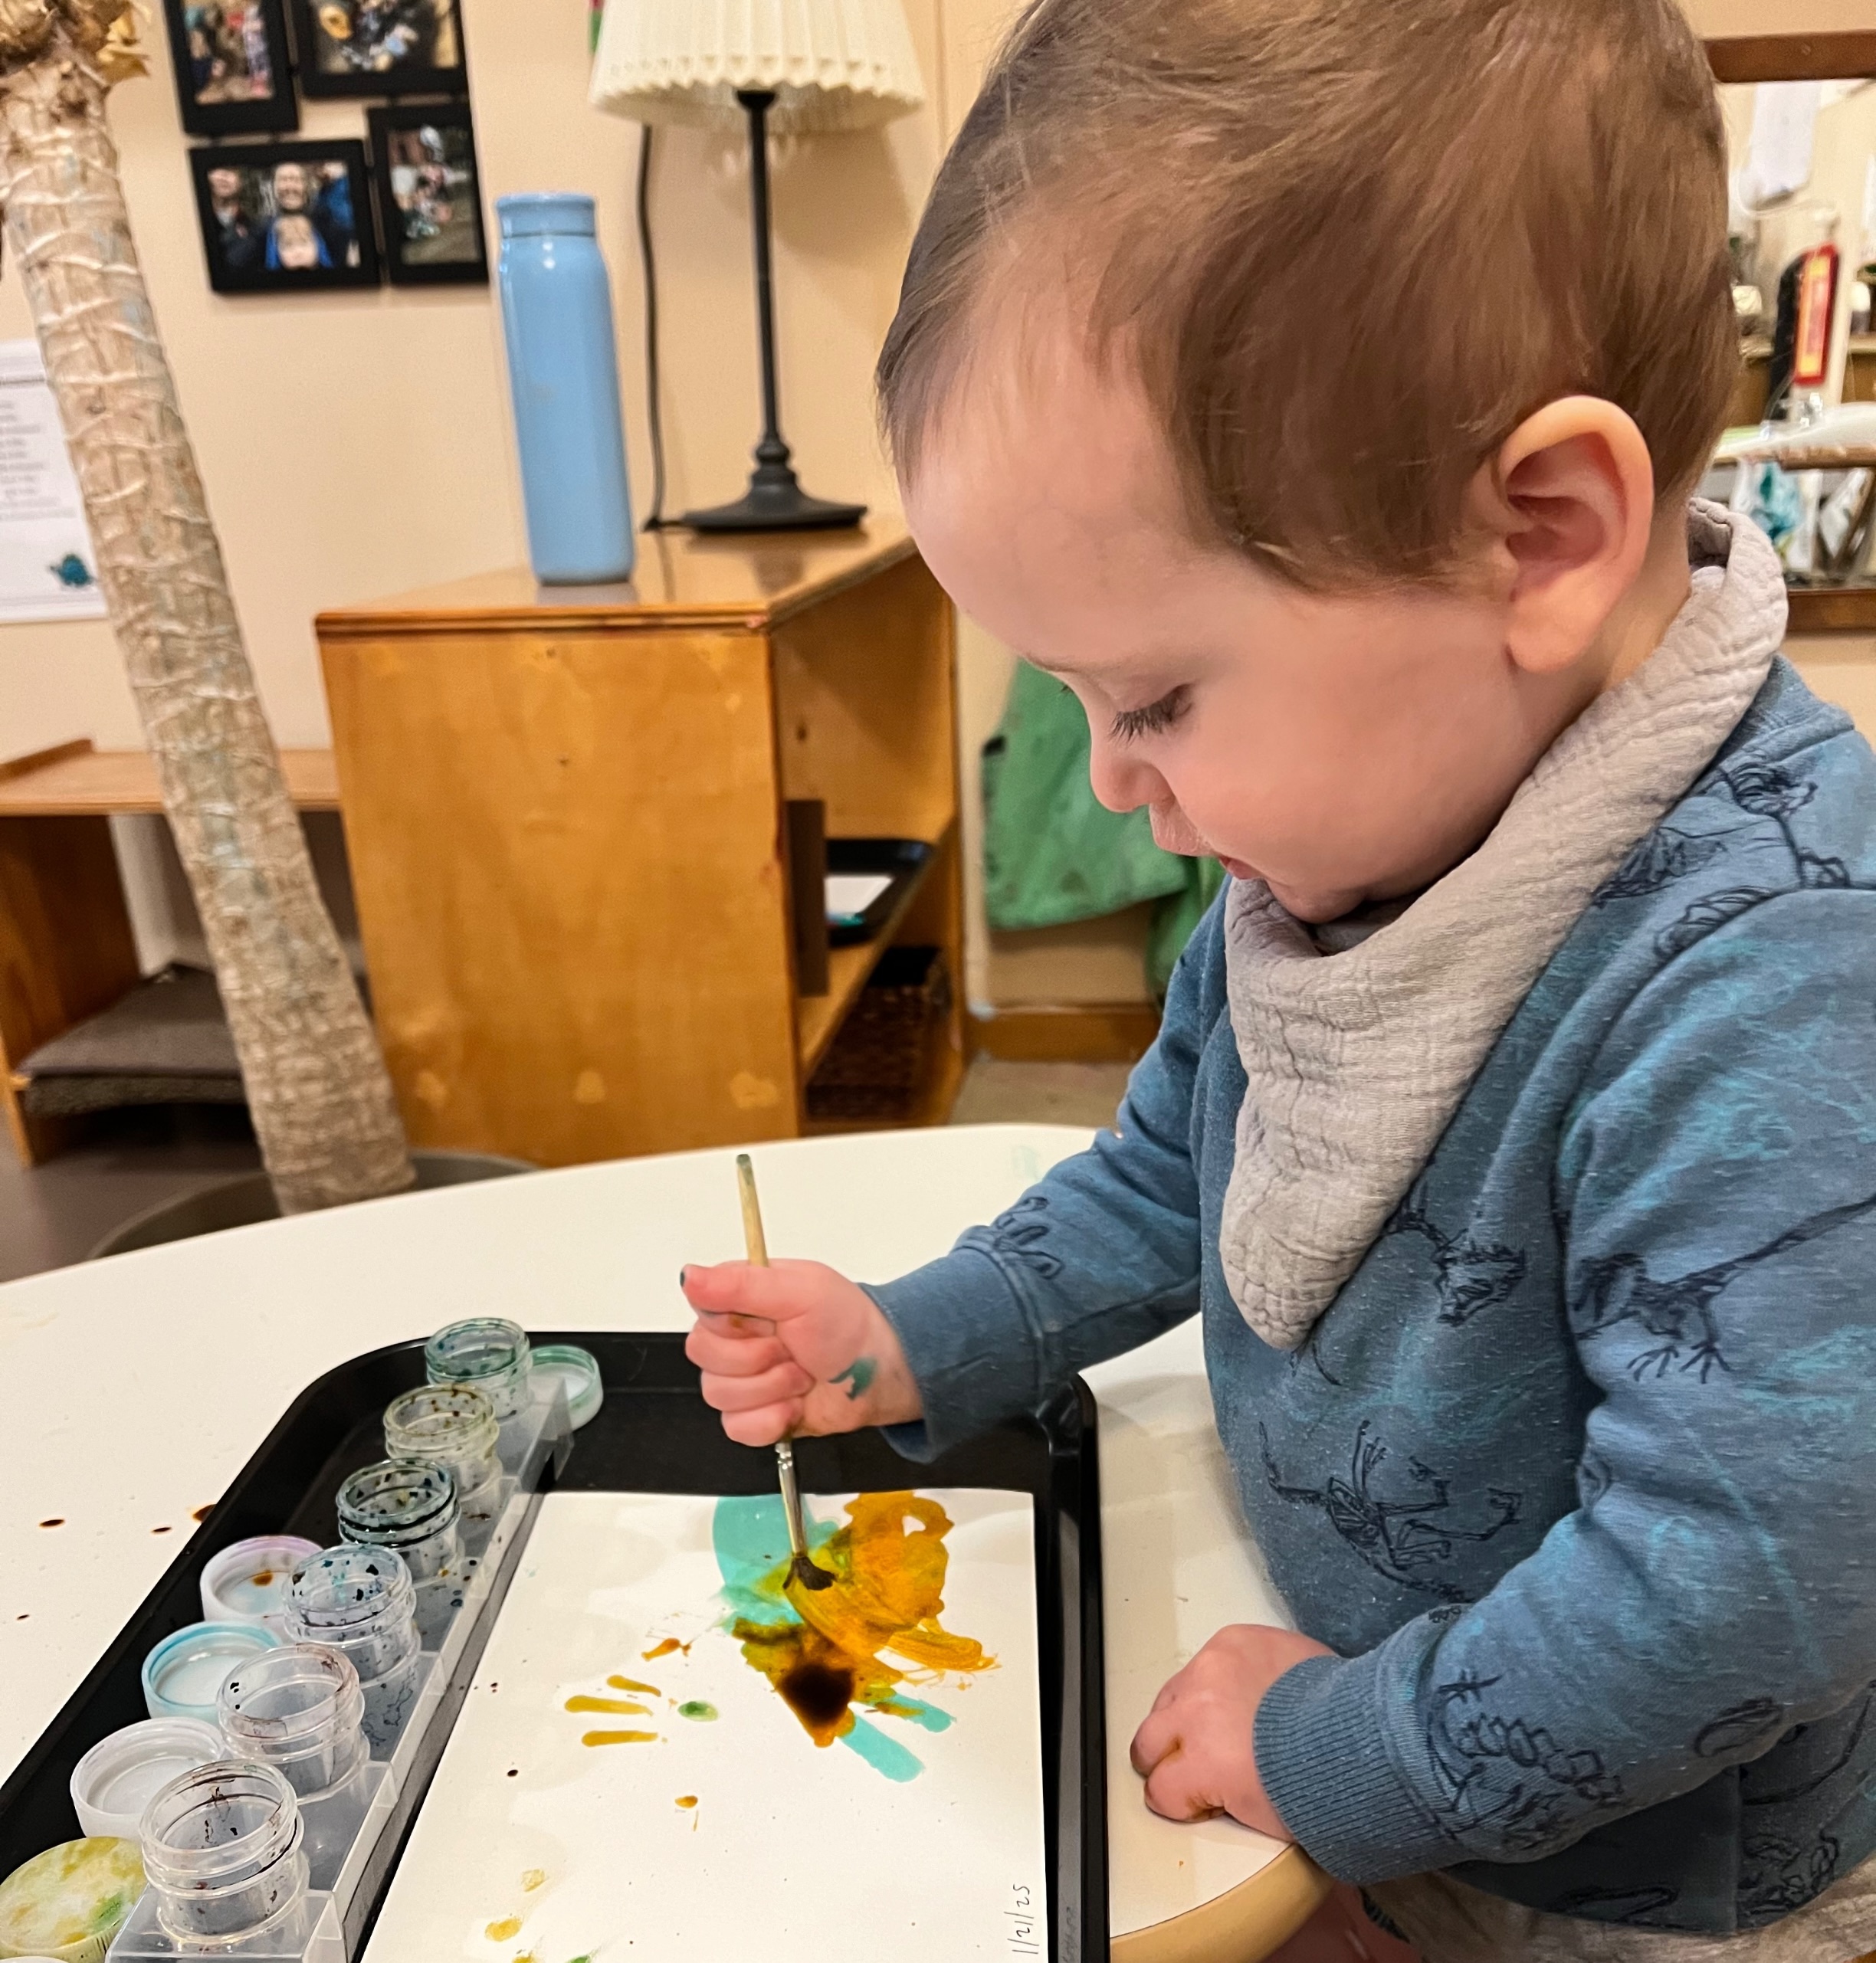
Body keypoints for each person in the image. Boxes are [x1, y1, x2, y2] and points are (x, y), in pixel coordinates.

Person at [680, 1, 1876, 1958]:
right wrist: (911, 1337)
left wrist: (1333, 1745)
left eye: (1149, 695)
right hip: (1373, 1763)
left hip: (1655, 1897)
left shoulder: (1768, 977)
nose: (1109, 783)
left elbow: (1743, 1582)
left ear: (1536, 537)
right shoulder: (1341, 838)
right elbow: (1173, 1178)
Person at [204, 164, 260, 274]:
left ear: (241, 181)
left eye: (231, 170)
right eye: (217, 168)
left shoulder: (255, 224)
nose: (223, 176)